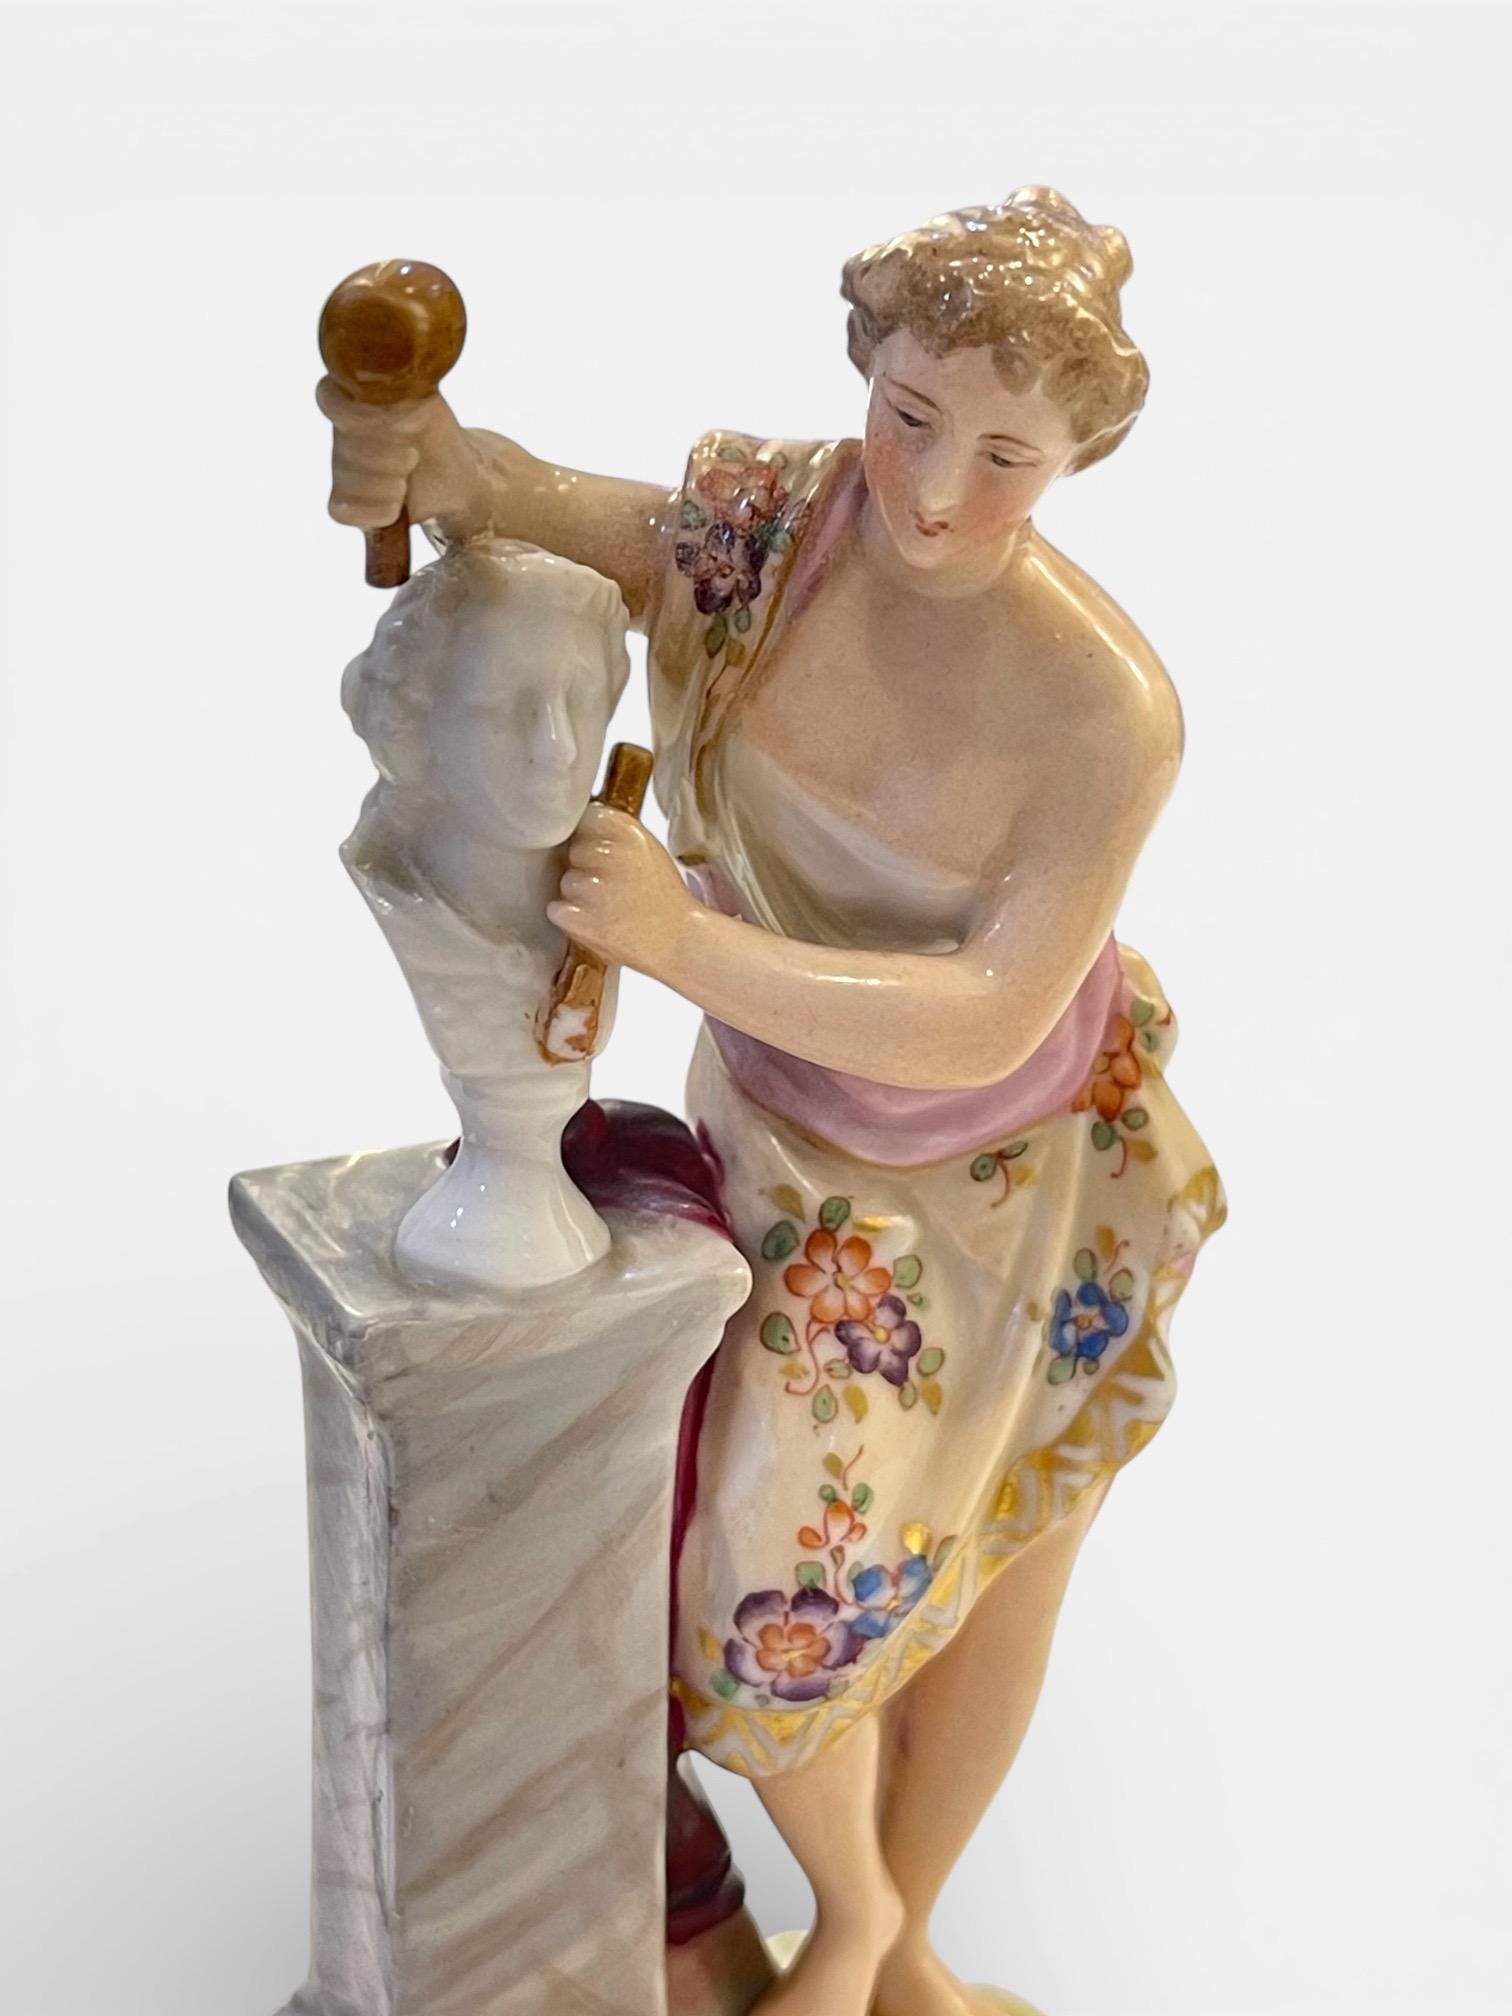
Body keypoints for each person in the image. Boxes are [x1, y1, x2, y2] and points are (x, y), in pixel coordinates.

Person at [320, 185, 1227, 2016]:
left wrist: (680, 941)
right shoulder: (775, 530)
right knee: (766, 1599)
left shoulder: (1105, 713)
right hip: (789, 1147)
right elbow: (563, 514)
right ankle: (863, 1917)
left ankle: (893, 1943)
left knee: (987, 1558)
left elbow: (986, 1014)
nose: (936, 493)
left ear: (1079, 456)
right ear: (865, 371)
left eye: (1007, 457)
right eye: (909, 417)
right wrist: (428, 457)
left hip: (1012, 1180)